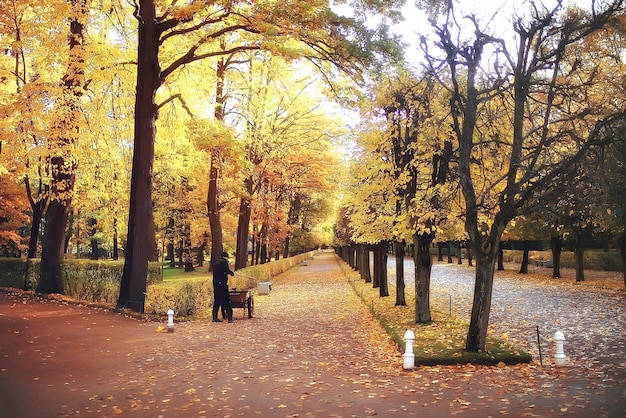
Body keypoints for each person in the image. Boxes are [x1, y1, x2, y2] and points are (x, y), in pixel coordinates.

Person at [212, 251, 234, 323]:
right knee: (226, 300)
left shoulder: (217, 263)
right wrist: (231, 273)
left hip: (216, 284)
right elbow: (225, 270)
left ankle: (214, 317)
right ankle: (230, 317)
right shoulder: (224, 262)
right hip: (222, 284)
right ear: (226, 257)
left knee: (217, 300)